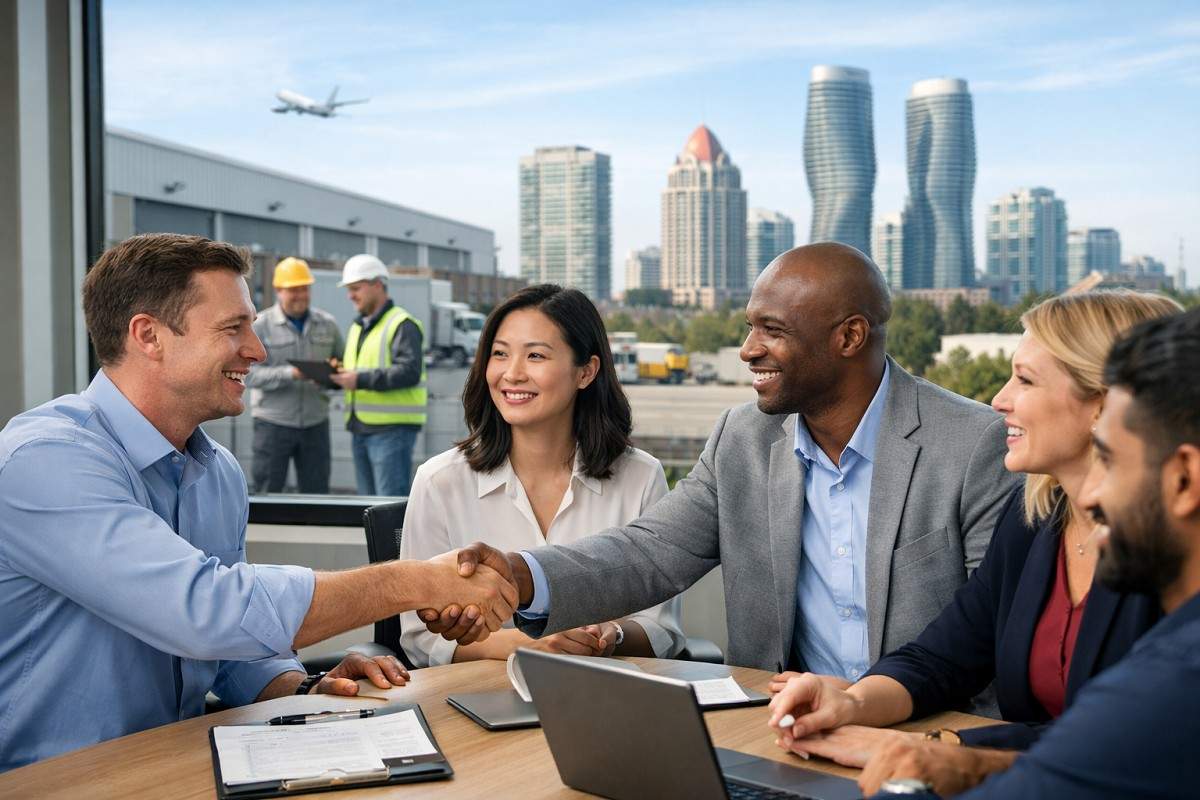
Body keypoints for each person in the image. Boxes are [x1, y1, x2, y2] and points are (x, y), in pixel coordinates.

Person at [0, 234, 515, 773]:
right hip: (49, 778)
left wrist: (302, 684)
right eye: (233, 328)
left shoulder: (219, 473)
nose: (258, 349)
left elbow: (228, 650)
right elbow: (203, 612)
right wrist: (413, 581)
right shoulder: (47, 460)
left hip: (171, 766)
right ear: (148, 335)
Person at [425, 243, 1018, 680]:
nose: (747, 349)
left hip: (926, 734)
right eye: (748, 326)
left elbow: (987, 635)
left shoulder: (972, 446)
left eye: (772, 330)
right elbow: (649, 552)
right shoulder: (744, 437)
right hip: (780, 733)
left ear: (850, 336)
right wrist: (522, 574)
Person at [766, 290, 1179, 769]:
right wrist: (853, 704)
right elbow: (944, 656)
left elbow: (1134, 739)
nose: (998, 399)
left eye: (1025, 380)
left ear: (1104, 405)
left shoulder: (1173, 549)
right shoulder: (1036, 518)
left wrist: (948, 751)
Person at [399, 285, 685, 666]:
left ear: (586, 372)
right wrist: (531, 645)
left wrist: (610, 637)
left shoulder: (640, 476)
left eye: (535, 355)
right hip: (477, 700)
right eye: (499, 354)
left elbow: (660, 630)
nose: (512, 374)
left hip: (598, 697)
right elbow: (420, 640)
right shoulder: (439, 481)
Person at [244, 257, 343, 493]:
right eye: (293, 290)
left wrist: (331, 373)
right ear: (279, 290)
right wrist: (292, 374)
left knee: (317, 493)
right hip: (272, 424)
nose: (300, 295)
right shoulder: (260, 326)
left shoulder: (327, 324)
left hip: (315, 423)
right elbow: (247, 374)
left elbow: (342, 363)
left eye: (304, 289)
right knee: (268, 491)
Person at [330, 253, 425, 497]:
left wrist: (358, 379)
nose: (350, 295)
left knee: (388, 505)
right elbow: (360, 367)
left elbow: (409, 371)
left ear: (377, 285)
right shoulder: (357, 327)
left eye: (356, 288)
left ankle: (395, 539)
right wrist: (337, 372)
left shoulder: (402, 324)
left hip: (391, 431)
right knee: (368, 506)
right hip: (360, 428)